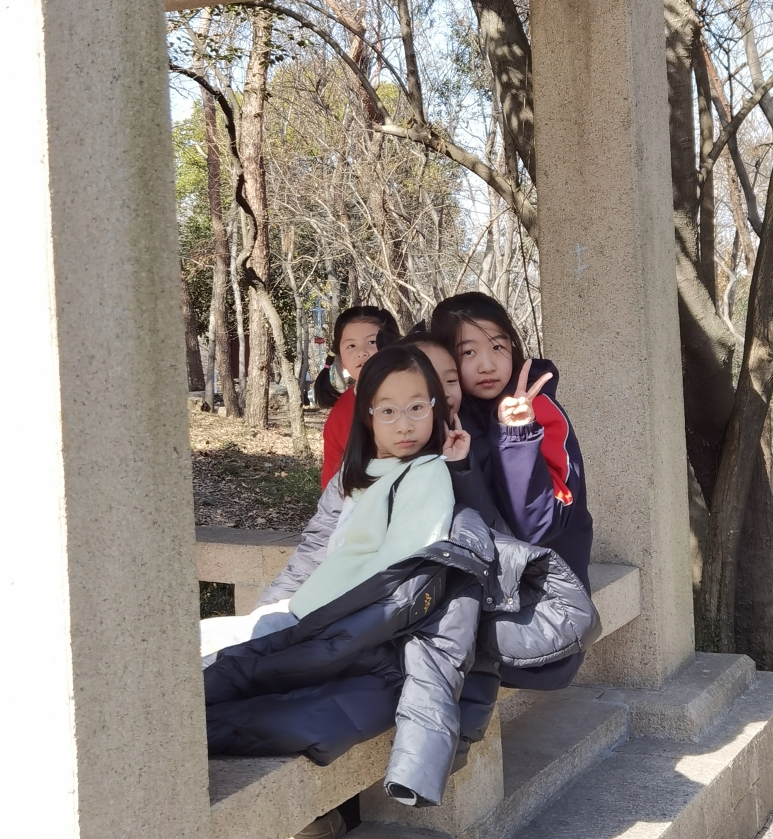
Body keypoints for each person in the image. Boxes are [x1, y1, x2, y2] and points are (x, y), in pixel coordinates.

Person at [204, 344, 490, 819]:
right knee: (214, 663)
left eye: (417, 408)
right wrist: (276, 606)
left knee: (217, 678)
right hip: (305, 614)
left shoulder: (427, 473)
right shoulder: (358, 473)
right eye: (388, 411)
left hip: (342, 629)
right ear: (367, 416)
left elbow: (399, 576)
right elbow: (318, 547)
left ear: (436, 408)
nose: (404, 425)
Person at [431, 292, 594, 605]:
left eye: (497, 347)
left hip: (550, 595)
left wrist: (516, 436)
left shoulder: (538, 410)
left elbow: (539, 525)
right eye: (468, 352)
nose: (487, 365)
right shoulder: (449, 417)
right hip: (483, 589)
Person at [315, 306, 400, 488]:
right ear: (340, 357)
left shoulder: (417, 391)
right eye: (351, 346)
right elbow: (331, 478)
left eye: (371, 342)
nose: (362, 352)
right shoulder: (340, 412)